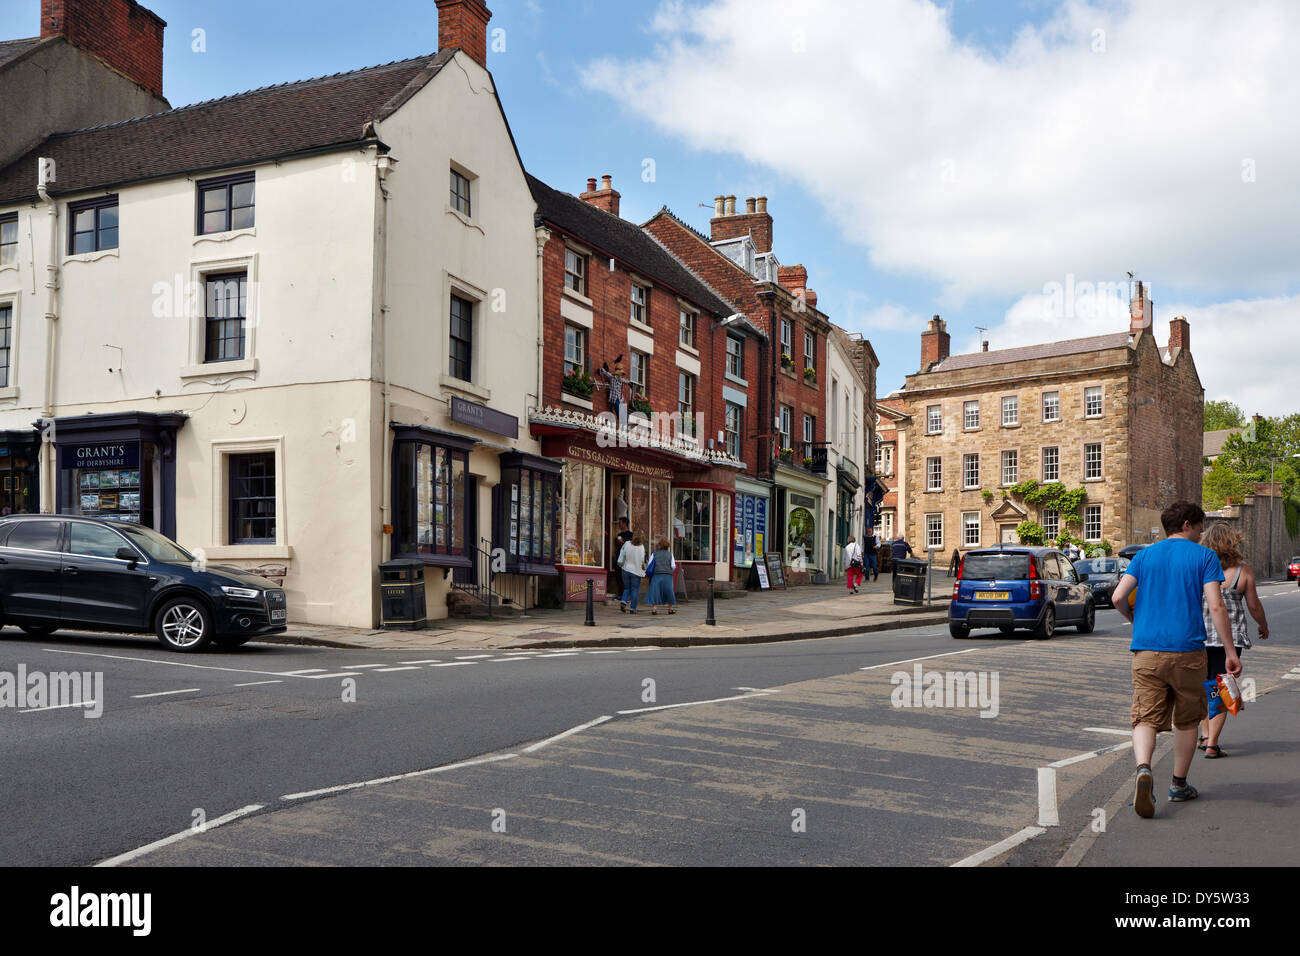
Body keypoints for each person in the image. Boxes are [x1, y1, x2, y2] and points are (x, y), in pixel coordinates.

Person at [1111, 501, 1239, 819]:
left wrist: (1134, 621)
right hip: (1188, 652)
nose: (1201, 533)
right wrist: (1230, 651)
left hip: (1146, 650)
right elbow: (1217, 606)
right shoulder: (1204, 557)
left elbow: (1117, 597)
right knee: (1186, 720)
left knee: (1144, 718)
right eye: (1199, 527)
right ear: (1186, 525)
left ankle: (1144, 768)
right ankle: (1178, 785)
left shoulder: (1144, 556)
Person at [1196, 523, 1268, 758]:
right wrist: (1263, 625)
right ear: (1233, 542)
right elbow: (1254, 606)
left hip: (1199, 636)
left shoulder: (1199, 568)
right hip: (1230, 640)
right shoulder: (1242, 571)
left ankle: (1205, 735)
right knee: (1221, 688)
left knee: (1204, 688)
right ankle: (1212, 744)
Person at [645, 538, 677, 614]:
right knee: (669, 592)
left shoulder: (654, 554)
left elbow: (649, 565)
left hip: (657, 575)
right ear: (668, 546)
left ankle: (654, 609)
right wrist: (669, 571)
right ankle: (670, 609)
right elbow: (673, 566)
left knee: (655, 591)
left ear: (659, 545)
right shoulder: (670, 554)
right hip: (667, 576)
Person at [618, 532, 647, 613]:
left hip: (626, 569)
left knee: (627, 588)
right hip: (636, 571)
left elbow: (622, 553)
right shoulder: (641, 547)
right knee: (635, 589)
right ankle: (632, 609)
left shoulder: (627, 543)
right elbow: (642, 560)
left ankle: (623, 601)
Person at [613, 517, 633, 597]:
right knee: (618, 576)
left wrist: (622, 542)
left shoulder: (630, 535)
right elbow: (616, 547)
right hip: (618, 558)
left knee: (625, 577)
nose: (619, 524)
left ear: (624, 523)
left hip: (626, 559)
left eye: (620, 523)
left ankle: (626, 596)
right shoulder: (619, 535)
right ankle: (620, 594)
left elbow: (631, 547)